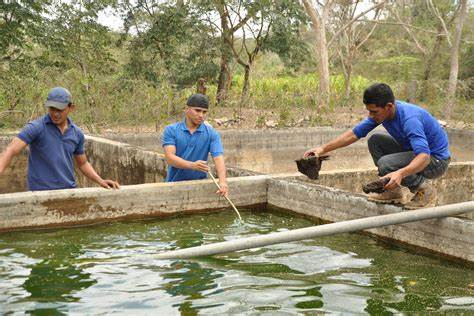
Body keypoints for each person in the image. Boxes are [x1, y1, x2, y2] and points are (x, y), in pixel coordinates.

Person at [304, 83, 450, 209]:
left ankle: (424, 190)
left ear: (389, 106)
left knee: (386, 164)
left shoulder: (410, 120)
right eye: (369, 111)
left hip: (436, 161)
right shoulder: (384, 113)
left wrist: (400, 173)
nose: (371, 115)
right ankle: (393, 191)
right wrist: (322, 149)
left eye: (374, 112)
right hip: (416, 154)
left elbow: (424, 157)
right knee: (375, 141)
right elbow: (354, 134)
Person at [0, 87, 120, 191]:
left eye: (60, 110)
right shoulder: (36, 127)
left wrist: (100, 181)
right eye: (52, 109)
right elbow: (11, 150)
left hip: (68, 191)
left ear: (71, 108)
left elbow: (83, 163)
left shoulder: (76, 133)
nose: (55, 114)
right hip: (40, 193)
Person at [162, 93, 228, 197]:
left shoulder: (211, 133)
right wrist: (192, 165)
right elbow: (170, 158)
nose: (201, 115)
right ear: (186, 109)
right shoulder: (171, 130)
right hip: (173, 186)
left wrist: (223, 182)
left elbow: (218, 158)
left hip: (199, 188)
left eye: (204, 112)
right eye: (197, 110)